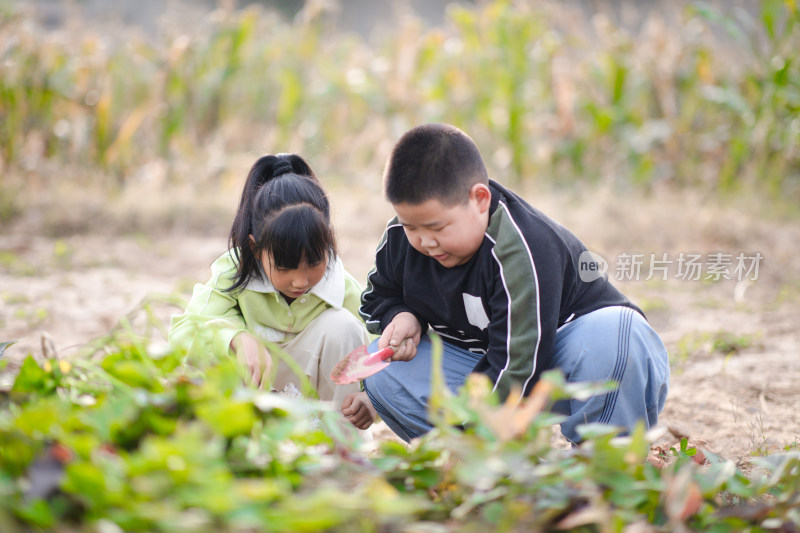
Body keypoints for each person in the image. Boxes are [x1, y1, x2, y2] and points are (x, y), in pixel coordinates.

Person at [343, 123, 670, 444]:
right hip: (481, 363)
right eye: (411, 226)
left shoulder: (522, 248)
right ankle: (496, 472)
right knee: (382, 371)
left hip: (563, 363)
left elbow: (519, 363)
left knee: (617, 331)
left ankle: (604, 464)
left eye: (437, 227)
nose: (424, 241)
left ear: (480, 199)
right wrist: (400, 316)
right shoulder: (402, 239)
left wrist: (483, 425)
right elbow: (375, 299)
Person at [169, 154, 372, 408]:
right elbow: (182, 333)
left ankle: (340, 440)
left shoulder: (340, 284)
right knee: (211, 338)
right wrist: (236, 338)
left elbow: (379, 349)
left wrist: (371, 401)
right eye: (285, 267)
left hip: (317, 410)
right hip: (249, 402)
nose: (301, 280)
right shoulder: (234, 271)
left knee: (345, 327)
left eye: (313, 262)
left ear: (328, 242)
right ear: (256, 249)